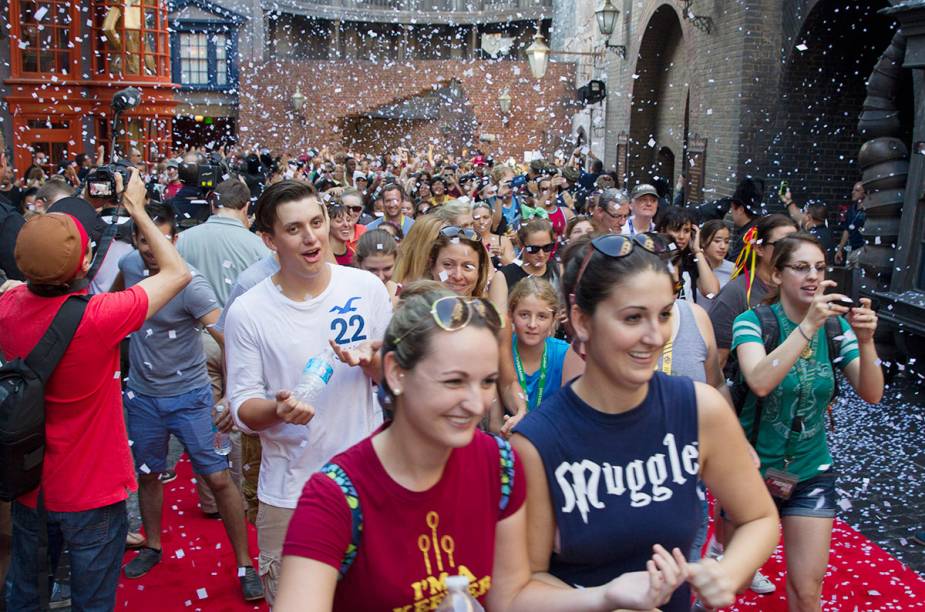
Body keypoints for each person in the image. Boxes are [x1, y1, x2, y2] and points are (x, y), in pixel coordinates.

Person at [274, 282, 689, 612]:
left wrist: (606, 596)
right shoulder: (334, 498)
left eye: (487, 382)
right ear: (397, 374)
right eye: (454, 381)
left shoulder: (498, 462)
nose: (476, 404)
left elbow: (511, 597)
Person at [512, 233, 780, 611]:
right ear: (581, 321)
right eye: (633, 317)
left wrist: (728, 571)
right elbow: (517, 592)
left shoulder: (699, 408)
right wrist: (602, 599)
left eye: (665, 314)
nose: (656, 337)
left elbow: (758, 517)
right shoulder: (538, 442)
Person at [0, 169, 191, 610]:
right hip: (92, 490)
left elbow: (18, 286)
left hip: (32, 484)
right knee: (93, 600)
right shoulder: (98, 317)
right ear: (84, 262)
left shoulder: (8, 307)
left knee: (26, 594)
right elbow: (177, 272)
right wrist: (138, 210)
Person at [224, 180, 393, 605]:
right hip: (290, 493)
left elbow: (397, 379)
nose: (311, 236)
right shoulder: (248, 311)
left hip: (366, 486)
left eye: (316, 222)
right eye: (294, 228)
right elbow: (242, 407)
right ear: (269, 240)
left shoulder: (365, 288)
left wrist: (374, 364)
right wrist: (278, 410)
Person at [116, 203, 263, 600]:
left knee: (218, 478)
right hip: (143, 396)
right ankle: (152, 545)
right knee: (148, 474)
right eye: (144, 239)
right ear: (135, 240)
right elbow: (113, 300)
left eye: (160, 239)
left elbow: (229, 339)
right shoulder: (130, 267)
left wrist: (235, 394)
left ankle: (245, 564)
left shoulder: (191, 284)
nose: (151, 248)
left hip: (191, 398)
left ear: (175, 240)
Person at [731, 233, 883, 611]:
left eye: (819, 267)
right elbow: (761, 382)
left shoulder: (835, 329)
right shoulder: (753, 322)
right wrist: (807, 326)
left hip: (811, 471)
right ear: (778, 275)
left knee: (807, 589)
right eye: (801, 267)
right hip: (752, 473)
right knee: (730, 583)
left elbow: (872, 393)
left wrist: (865, 341)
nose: (813, 276)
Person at [709, 214, 798, 370]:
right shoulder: (735, 293)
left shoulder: (799, 291)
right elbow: (717, 362)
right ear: (759, 248)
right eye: (782, 244)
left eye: (796, 244)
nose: (791, 250)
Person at [508, 277, 571, 412]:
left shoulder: (565, 355)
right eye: (524, 315)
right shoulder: (501, 352)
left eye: (542, 316)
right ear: (511, 315)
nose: (532, 324)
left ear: (554, 320)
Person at [655, 208, 719, 304]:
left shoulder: (692, 260)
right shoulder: (652, 257)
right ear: (662, 230)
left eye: (686, 231)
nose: (681, 236)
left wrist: (697, 251)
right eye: (676, 230)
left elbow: (712, 293)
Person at [500, 219, 560, 293]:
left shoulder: (559, 270)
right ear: (521, 245)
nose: (541, 254)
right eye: (534, 249)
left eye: (547, 247)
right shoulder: (504, 276)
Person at [696, 220, 735, 308]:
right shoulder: (693, 265)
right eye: (717, 241)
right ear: (703, 241)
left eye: (726, 241)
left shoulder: (733, 269)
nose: (723, 247)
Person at [473, 200, 514, 268]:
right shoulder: (467, 241)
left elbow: (513, 269)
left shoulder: (503, 241)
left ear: (491, 218)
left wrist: (501, 256)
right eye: (477, 218)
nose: (481, 222)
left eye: (485, 217)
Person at [835, 182, 866, 266]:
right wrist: (840, 249)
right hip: (850, 249)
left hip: (861, 249)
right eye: (853, 190)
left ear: (864, 193)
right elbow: (847, 230)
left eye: (857, 190)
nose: (853, 192)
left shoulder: (867, 210)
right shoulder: (851, 209)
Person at [328, 202, 356, 266]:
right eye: (339, 221)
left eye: (348, 220)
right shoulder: (320, 256)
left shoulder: (353, 255)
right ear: (328, 224)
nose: (346, 224)